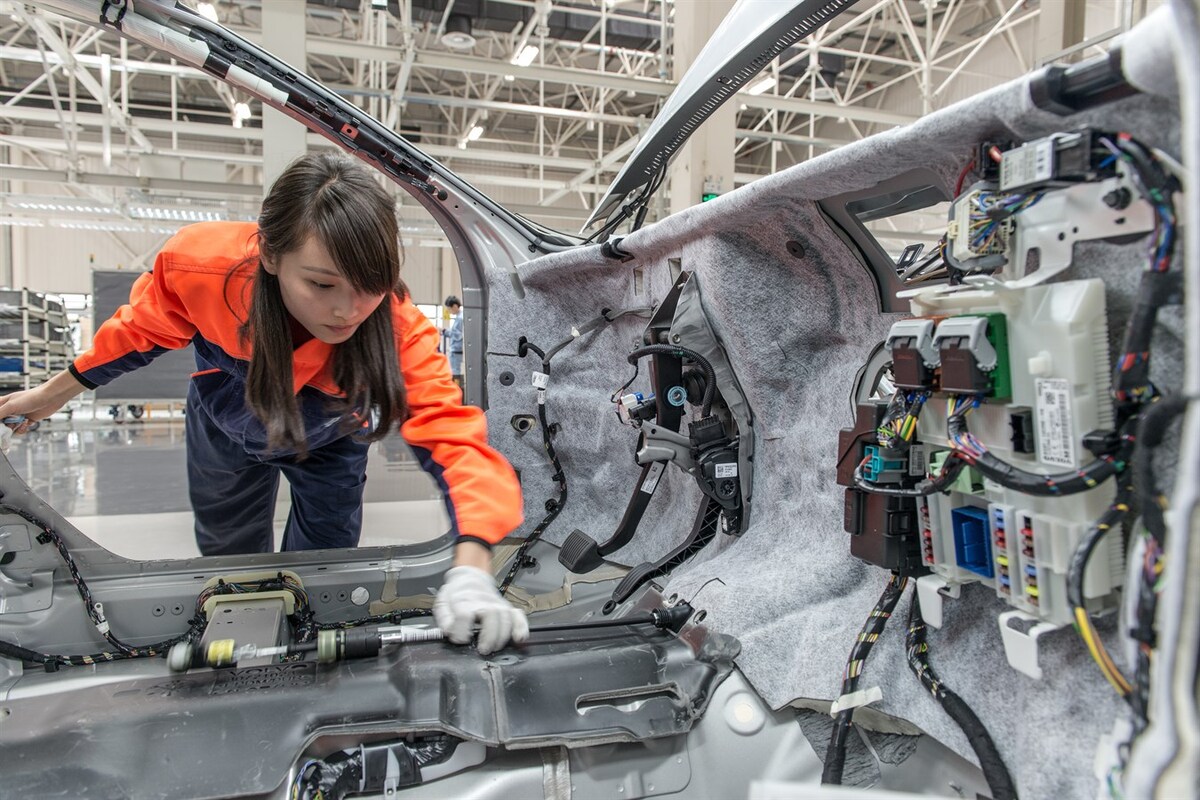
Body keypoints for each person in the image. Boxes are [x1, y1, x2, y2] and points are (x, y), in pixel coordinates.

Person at [0, 152, 528, 653]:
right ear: (271, 256)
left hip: (331, 438)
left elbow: (452, 438)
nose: (347, 311)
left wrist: (473, 568)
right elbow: (135, 333)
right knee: (231, 560)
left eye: (370, 286)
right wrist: (50, 395)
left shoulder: (396, 326)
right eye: (322, 284)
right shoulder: (202, 269)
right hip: (227, 423)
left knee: (325, 569)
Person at [443, 294, 463, 389]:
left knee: (455, 372)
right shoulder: (459, 317)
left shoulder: (460, 318)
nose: (449, 311)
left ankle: (457, 390)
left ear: (454, 306)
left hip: (456, 350)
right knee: (455, 371)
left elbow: (458, 335)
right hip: (456, 350)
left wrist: (445, 331)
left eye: (449, 309)